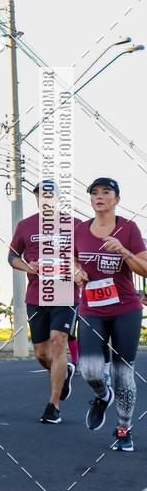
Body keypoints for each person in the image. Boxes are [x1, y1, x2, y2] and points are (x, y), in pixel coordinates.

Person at [74, 177, 147, 451]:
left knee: (123, 374)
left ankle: (123, 429)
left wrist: (124, 251)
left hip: (125, 309)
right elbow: (71, 258)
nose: (100, 196)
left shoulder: (129, 228)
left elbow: (144, 268)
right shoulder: (80, 230)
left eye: (106, 192)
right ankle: (103, 395)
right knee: (89, 370)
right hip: (91, 309)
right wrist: (76, 270)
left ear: (116, 199)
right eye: (95, 192)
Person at [8, 180, 80, 424]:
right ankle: (64, 372)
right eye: (40, 195)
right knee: (41, 353)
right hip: (36, 295)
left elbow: (84, 255)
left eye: (50, 194)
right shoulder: (25, 226)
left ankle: (53, 405)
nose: (45, 198)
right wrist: (27, 266)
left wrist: (77, 269)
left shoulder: (74, 224)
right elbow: (12, 256)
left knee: (59, 342)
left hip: (65, 292)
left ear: (58, 198)